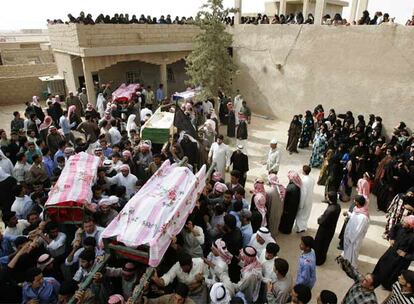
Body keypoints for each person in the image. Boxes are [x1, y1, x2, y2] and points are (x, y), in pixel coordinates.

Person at [373, 215, 414, 290]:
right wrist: (391, 238)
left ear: (410, 225)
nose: (402, 223)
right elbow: (394, 228)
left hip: (400, 260)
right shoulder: (402, 226)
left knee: (392, 274)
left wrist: (405, 255)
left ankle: (386, 286)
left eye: (405, 222)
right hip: (391, 251)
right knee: (382, 264)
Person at [314, 191, 341, 265]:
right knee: (325, 244)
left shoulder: (330, 210)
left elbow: (322, 221)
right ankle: (322, 257)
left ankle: (318, 260)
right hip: (331, 229)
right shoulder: (337, 206)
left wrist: (319, 219)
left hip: (324, 230)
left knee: (319, 244)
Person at [343, 195, 370, 267]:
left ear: (358, 202)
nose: (353, 201)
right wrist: (348, 214)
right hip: (349, 234)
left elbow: (359, 230)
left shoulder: (363, 217)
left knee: (353, 251)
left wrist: (351, 238)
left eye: (355, 200)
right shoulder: (357, 209)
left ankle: (352, 265)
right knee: (347, 250)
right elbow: (353, 217)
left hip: (354, 238)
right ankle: (346, 260)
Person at [294, 165, 315, 233]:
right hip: (310, 199)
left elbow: (303, 193)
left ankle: (300, 228)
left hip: (304, 200)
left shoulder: (304, 181)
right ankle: (303, 226)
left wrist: (301, 204)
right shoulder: (312, 179)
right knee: (306, 214)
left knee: (300, 214)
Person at [267, 173, 285, 238]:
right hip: (279, 211)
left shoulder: (270, 191)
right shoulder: (281, 188)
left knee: (271, 226)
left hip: (272, 212)